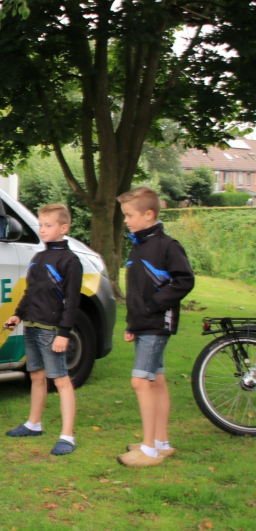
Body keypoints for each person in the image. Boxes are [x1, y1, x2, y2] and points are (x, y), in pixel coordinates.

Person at [116, 187, 194, 467]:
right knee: (156, 381)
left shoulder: (167, 246)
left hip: (157, 323)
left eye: (129, 215)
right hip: (144, 324)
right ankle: (161, 442)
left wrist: (152, 307)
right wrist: (132, 323)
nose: (126, 220)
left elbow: (184, 280)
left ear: (149, 214)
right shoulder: (138, 245)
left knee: (141, 382)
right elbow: (137, 290)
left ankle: (148, 450)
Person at [3, 204, 82, 456]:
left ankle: (67, 436)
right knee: (36, 375)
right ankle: (33, 424)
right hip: (32, 325)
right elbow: (30, 292)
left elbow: (72, 301)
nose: (42, 229)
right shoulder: (38, 257)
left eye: (48, 225)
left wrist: (64, 333)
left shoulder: (70, 261)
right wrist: (18, 314)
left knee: (60, 380)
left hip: (52, 330)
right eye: (41, 224)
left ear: (64, 228)